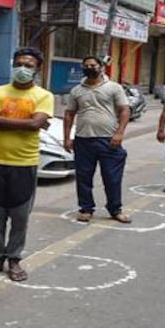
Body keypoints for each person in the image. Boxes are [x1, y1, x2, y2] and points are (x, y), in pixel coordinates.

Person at [0, 47, 53, 283]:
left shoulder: (43, 96)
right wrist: (28, 122)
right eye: (19, 63)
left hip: (24, 163)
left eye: (29, 65)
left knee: (20, 216)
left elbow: (33, 124)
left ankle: (14, 259)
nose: (23, 68)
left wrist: (2, 121)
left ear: (37, 69)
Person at [62, 55, 131, 224]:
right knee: (84, 177)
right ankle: (86, 209)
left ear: (101, 67)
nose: (89, 68)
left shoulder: (114, 88)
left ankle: (115, 209)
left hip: (109, 140)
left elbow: (124, 110)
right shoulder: (76, 90)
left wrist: (120, 133)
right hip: (83, 140)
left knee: (112, 178)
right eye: (86, 65)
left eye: (93, 65)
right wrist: (67, 138)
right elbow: (69, 114)